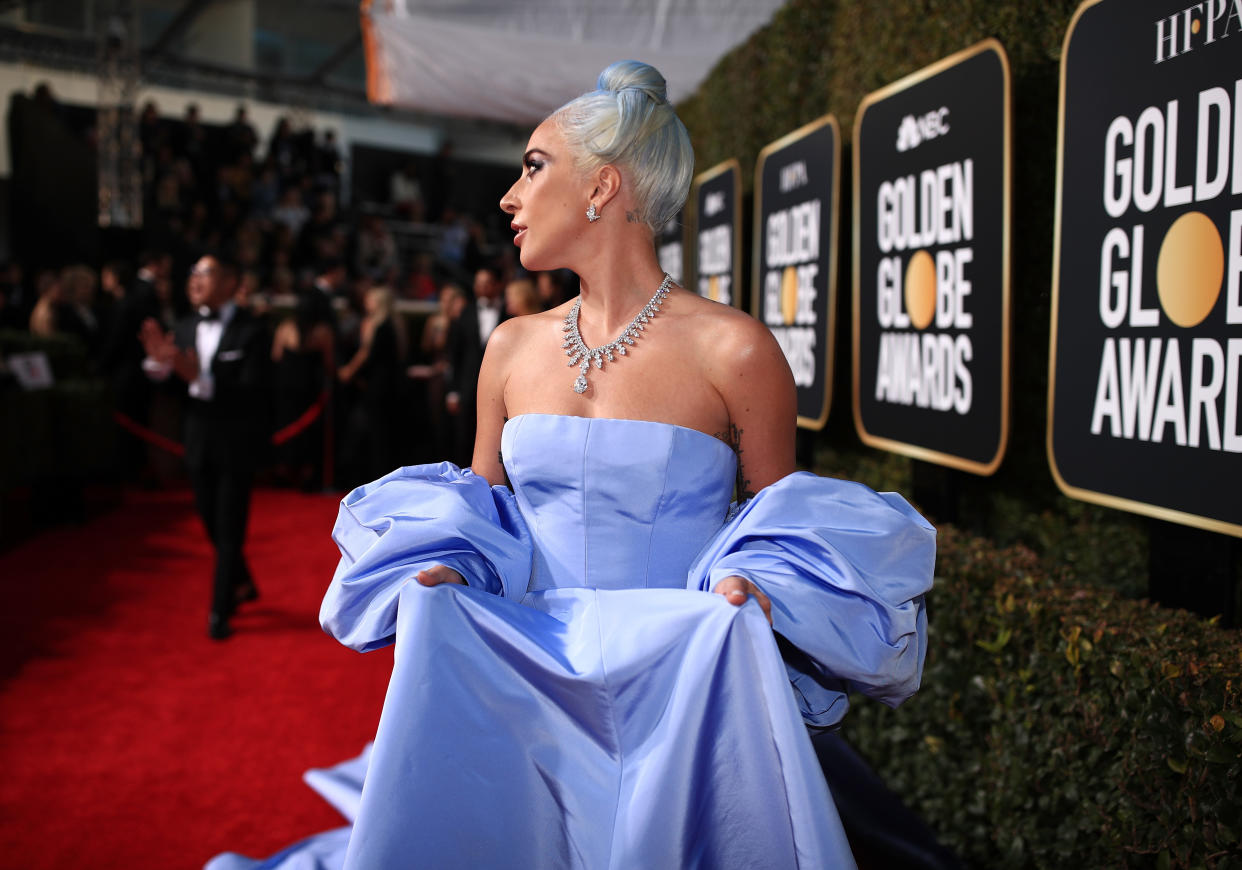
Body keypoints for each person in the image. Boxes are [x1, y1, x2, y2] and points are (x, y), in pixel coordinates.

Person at [207, 61, 934, 869]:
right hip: (524, 693)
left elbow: (775, 528)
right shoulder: (511, 347)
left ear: (603, 186)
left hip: (676, 703)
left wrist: (753, 590)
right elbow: (483, 509)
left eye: (532, 167)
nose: (508, 198)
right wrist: (451, 569)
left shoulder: (737, 349)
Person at [140, 254, 270, 639]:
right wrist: (160, 366)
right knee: (210, 522)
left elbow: (255, 391)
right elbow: (174, 388)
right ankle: (243, 582)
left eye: (205, 273)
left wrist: (201, 380)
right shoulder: (183, 326)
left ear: (231, 282)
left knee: (229, 528)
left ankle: (219, 611)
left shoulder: (254, 331)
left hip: (236, 444)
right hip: (196, 441)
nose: (194, 279)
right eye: (192, 272)